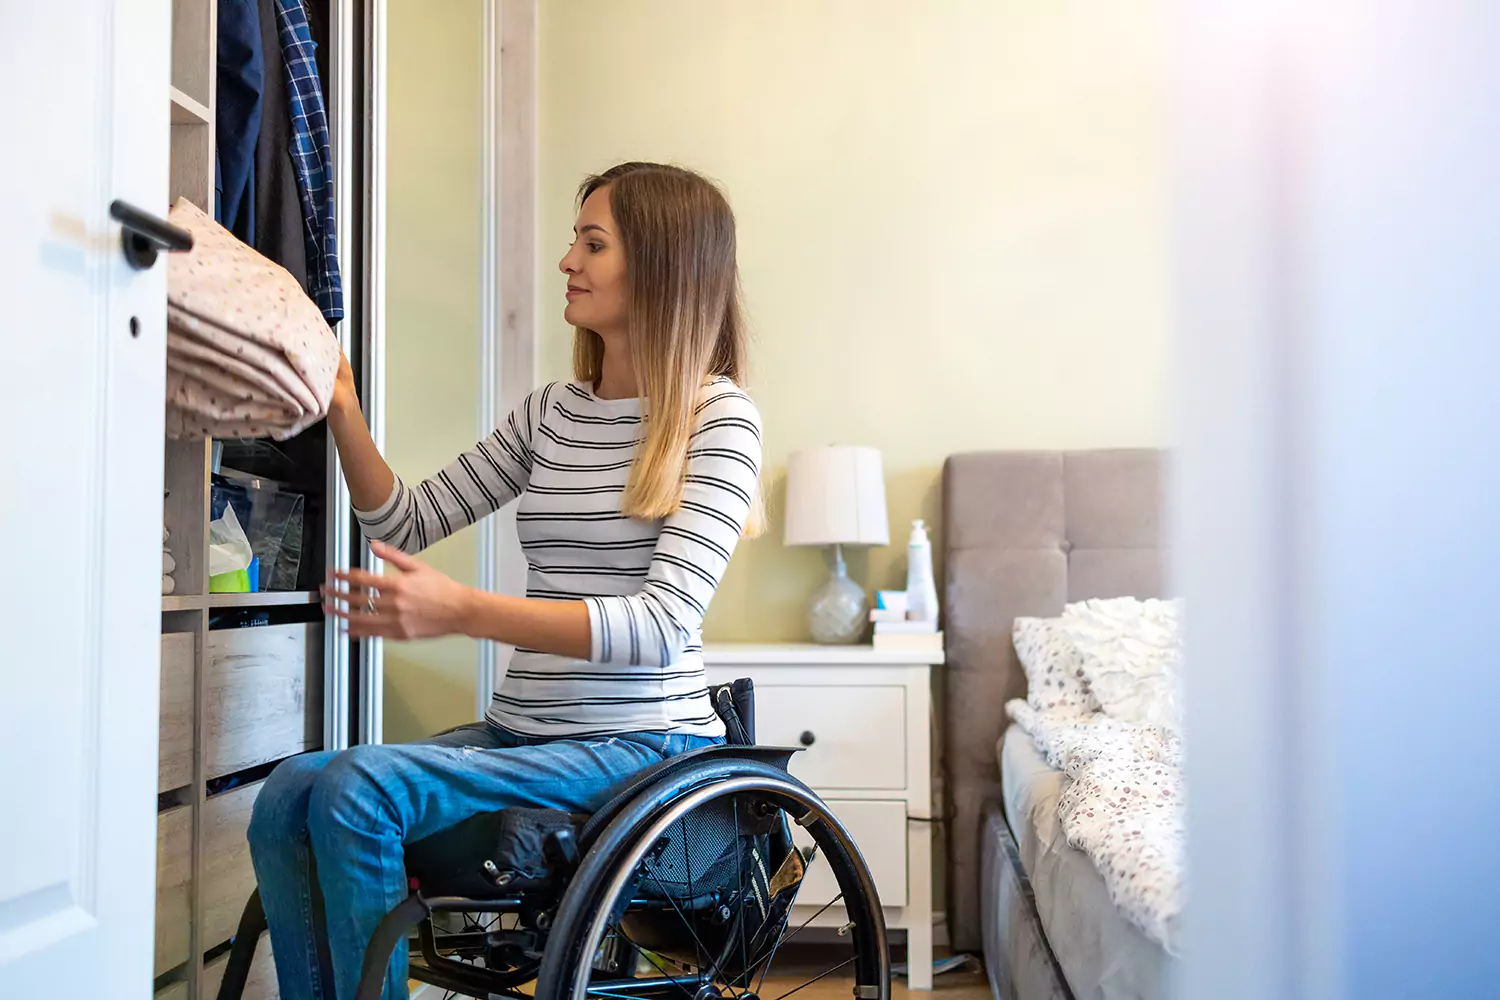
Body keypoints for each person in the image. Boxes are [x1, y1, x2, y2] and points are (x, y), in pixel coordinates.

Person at [246, 161, 764, 1000]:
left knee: (352, 790)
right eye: (575, 241)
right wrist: (341, 404)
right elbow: (405, 522)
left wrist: (463, 611)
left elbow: (660, 625)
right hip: (522, 735)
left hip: (636, 749)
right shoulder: (552, 412)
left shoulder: (720, 419)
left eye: (592, 244)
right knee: (287, 793)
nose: (568, 261)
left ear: (663, 265)